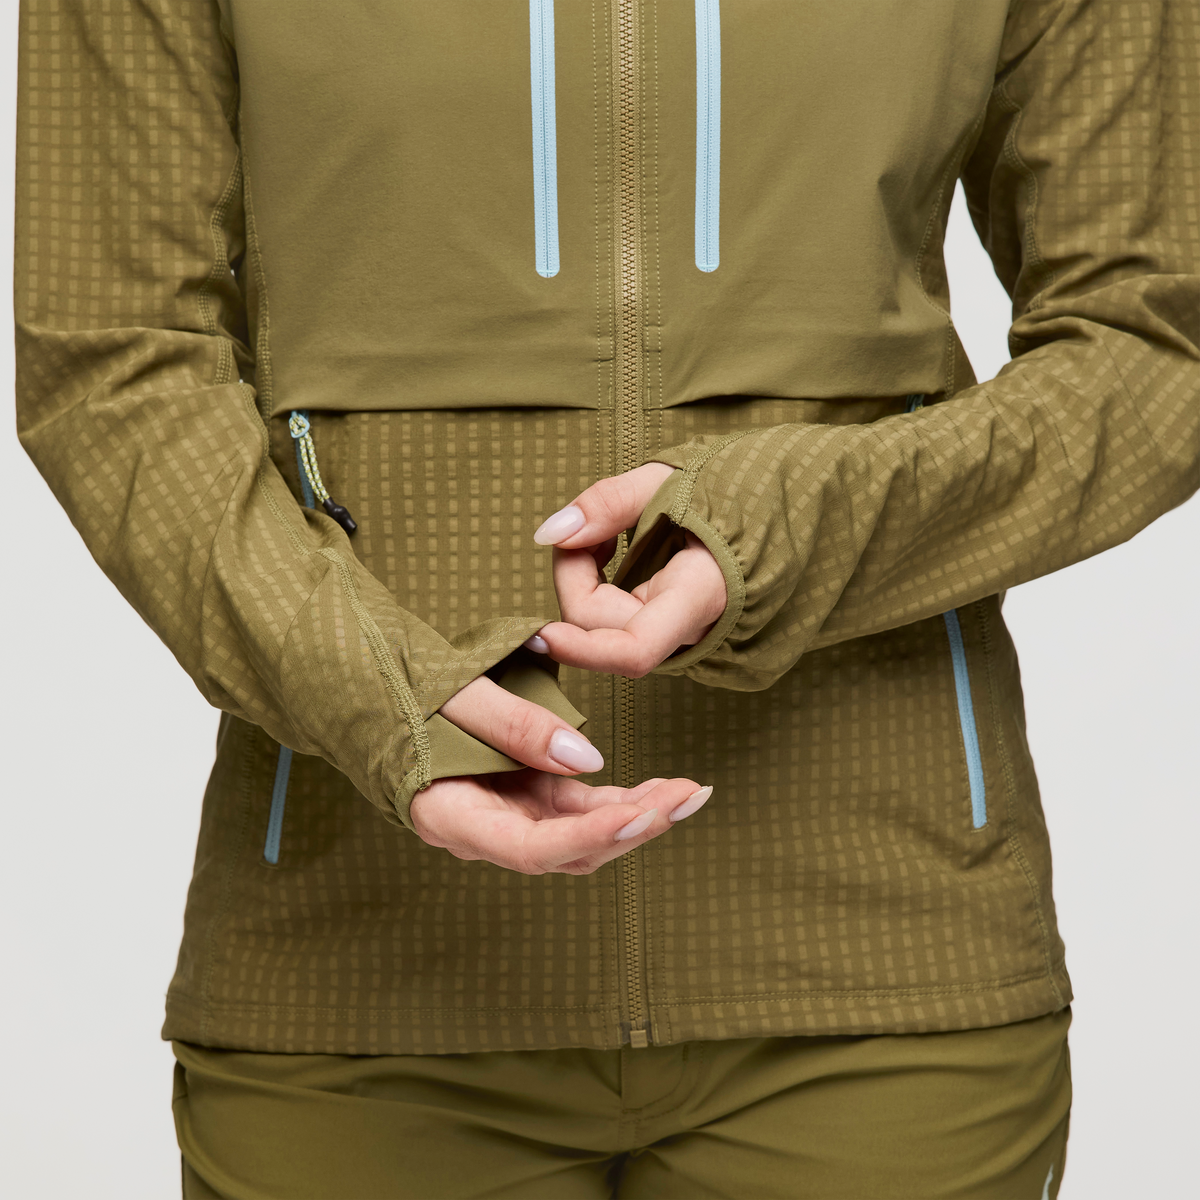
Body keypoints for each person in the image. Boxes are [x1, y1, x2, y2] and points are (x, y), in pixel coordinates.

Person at [14, 1, 1198, 1196]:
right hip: (359, 962)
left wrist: (780, 522)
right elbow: (113, 362)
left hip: (882, 950)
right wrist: (383, 697)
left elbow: (1153, 342)